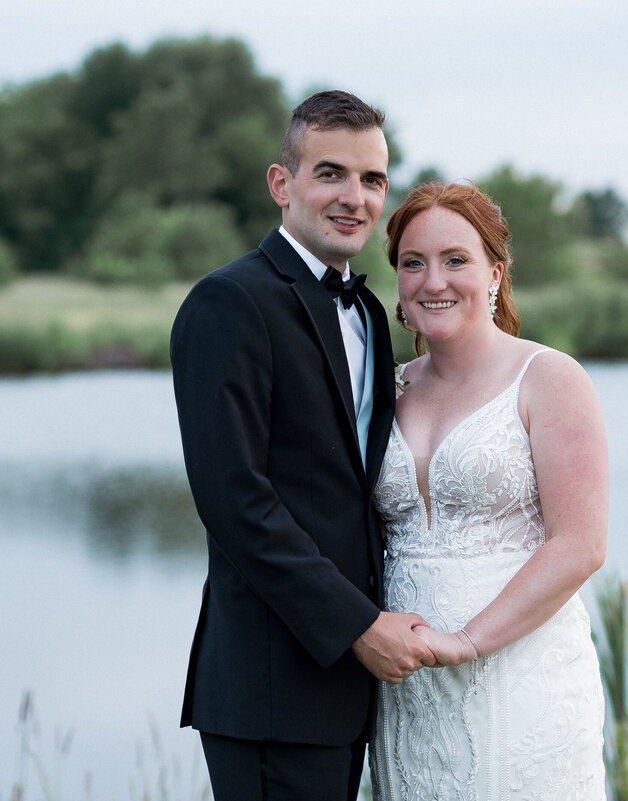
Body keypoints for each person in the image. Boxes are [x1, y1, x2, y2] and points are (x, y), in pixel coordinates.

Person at [170, 90, 437, 801]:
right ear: (281, 184)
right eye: (331, 173)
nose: (355, 197)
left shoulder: (373, 317)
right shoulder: (227, 303)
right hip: (270, 686)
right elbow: (235, 501)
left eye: (373, 179)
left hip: (349, 693)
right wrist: (358, 627)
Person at [369, 182, 609, 799]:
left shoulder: (549, 377)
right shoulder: (384, 391)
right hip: (408, 692)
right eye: (412, 263)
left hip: (517, 679)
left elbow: (578, 545)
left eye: (456, 260)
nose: (433, 281)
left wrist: (466, 642)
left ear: (496, 272)